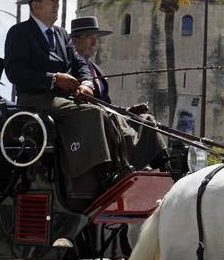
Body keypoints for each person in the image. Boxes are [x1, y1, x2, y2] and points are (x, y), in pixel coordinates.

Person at [3, 0, 117, 186]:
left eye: (58, 0)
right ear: (35, 4)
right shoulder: (20, 33)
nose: (57, 5)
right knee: (91, 113)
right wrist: (54, 79)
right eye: (52, 0)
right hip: (36, 100)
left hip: (63, 99)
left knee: (112, 114)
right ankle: (93, 172)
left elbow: (80, 63)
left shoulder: (62, 34)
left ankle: (129, 163)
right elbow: (15, 72)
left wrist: (87, 83)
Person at [69, 15, 169, 170]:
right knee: (126, 133)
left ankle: (165, 167)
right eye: (90, 37)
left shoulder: (96, 69)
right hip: (92, 121)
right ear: (75, 41)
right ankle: (126, 166)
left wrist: (128, 110)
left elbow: (107, 103)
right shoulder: (70, 67)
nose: (95, 43)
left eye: (96, 38)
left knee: (146, 120)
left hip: (109, 117)